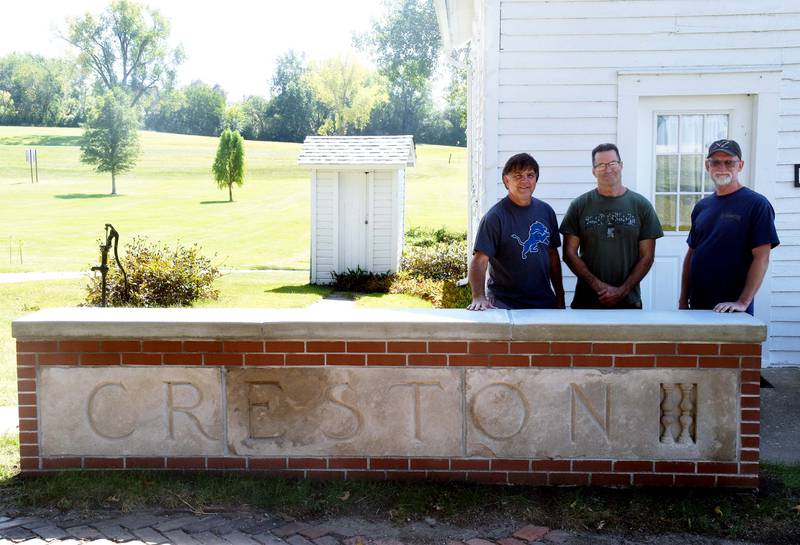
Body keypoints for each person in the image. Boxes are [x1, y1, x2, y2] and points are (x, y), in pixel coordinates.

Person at [679, 139, 779, 314]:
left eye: (729, 162)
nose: (722, 167)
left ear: (740, 165)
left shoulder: (757, 204)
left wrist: (742, 302)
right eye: (716, 162)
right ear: (707, 166)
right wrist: (682, 299)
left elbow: (762, 258)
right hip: (698, 304)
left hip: (732, 308)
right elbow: (692, 254)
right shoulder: (702, 206)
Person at [559, 143, 663, 309]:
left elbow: (647, 256)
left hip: (629, 301)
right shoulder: (580, 205)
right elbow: (569, 254)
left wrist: (622, 291)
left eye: (612, 163)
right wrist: (599, 287)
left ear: (621, 165)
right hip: (587, 301)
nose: (608, 169)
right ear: (593, 171)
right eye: (601, 165)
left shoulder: (641, 205)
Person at [467, 152, 565, 310]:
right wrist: (478, 297)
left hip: (544, 305)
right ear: (506, 180)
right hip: (505, 306)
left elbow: (552, 255)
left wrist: (560, 298)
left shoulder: (546, 212)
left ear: (536, 179)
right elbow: (479, 261)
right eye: (518, 175)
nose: (525, 180)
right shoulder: (495, 217)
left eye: (530, 175)